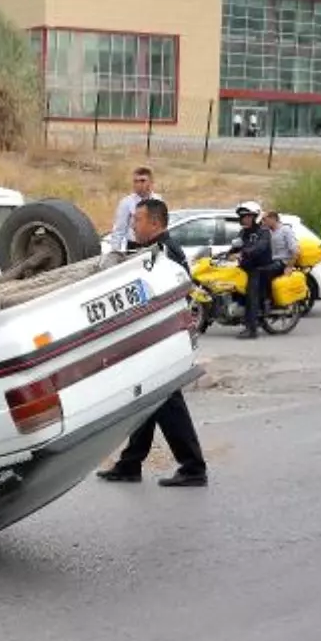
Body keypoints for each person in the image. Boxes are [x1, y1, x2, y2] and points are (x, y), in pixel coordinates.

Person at [96, 198, 208, 488]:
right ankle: (130, 464)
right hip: (157, 339)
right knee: (148, 400)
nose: (134, 225)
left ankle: (193, 467)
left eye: (138, 221)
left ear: (155, 223)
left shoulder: (164, 253)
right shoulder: (155, 251)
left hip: (165, 339)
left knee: (169, 403)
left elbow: (168, 296)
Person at [232, 200, 273, 340]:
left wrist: (245, 252)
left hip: (259, 268)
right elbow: (236, 246)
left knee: (251, 294)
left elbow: (260, 248)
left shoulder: (264, 232)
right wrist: (227, 254)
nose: (244, 219)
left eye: (247, 216)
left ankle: (252, 329)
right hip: (246, 267)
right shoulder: (243, 232)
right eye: (243, 216)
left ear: (255, 217)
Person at [107, 166, 164, 253]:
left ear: (151, 182)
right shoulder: (126, 203)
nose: (139, 184)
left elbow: (163, 226)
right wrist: (114, 252)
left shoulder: (158, 200)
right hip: (134, 246)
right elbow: (119, 230)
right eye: (135, 181)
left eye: (142, 181)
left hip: (155, 244)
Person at [261, 210, 299, 288]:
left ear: (273, 218)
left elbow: (295, 251)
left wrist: (289, 267)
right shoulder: (269, 232)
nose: (263, 222)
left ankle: (268, 298)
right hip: (273, 261)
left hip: (283, 262)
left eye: (265, 219)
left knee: (264, 272)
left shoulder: (285, 230)